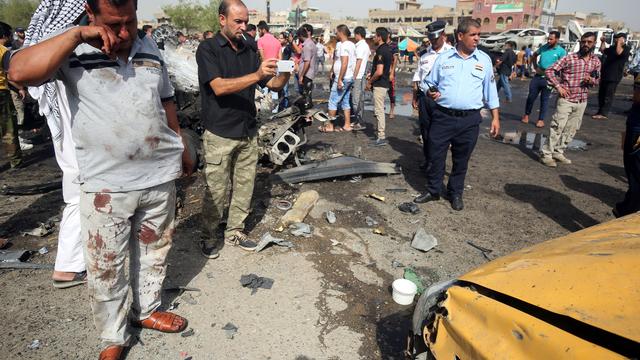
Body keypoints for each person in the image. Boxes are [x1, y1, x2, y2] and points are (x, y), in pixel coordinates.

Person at [10, 0, 194, 358]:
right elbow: (19, 72)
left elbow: (166, 98)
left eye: (131, 21)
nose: (125, 33)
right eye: (114, 24)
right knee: (105, 265)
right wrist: (76, 34)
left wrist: (181, 143)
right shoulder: (71, 48)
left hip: (157, 175)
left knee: (154, 252)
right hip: (105, 186)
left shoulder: (148, 45)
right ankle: (114, 336)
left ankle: (147, 310)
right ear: (91, 17)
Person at [195, 0, 290, 258]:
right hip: (219, 132)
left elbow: (273, 85)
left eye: (246, 21)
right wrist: (258, 75)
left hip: (247, 130)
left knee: (245, 186)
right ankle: (209, 235)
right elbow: (219, 87)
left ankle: (235, 230)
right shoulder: (208, 48)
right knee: (216, 190)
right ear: (221, 20)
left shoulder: (249, 46)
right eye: (238, 21)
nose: (244, 26)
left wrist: (285, 72)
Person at [23, 0, 88, 290]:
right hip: (75, 131)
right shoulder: (65, 45)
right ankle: (69, 266)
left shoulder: (54, 47)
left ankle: (73, 262)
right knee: (80, 190)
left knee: (76, 187)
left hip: (68, 129)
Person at [414, 19, 500, 211]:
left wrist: (495, 118)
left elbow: (491, 92)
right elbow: (427, 82)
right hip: (443, 116)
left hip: (469, 120)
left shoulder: (484, 60)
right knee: (435, 155)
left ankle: (455, 193)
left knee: (461, 159)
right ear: (460, 36)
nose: (477, 38)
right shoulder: (444, 59)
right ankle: (433, 190)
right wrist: (429, 91)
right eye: (473, 35)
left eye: (479, 35)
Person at [540, 32, 601, 167]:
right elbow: (549, 71)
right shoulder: (570, 58)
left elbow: (597, 80)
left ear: (594, 44)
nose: (586, 44)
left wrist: (591, 80)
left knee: (571, 129)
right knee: (557, 127)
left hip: (582, 100)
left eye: (589, 42)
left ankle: (558, 151)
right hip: (566, 99)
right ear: (580, 42)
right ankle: (546, 154)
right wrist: (558, 86)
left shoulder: (596, 61)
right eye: (583, 41)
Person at [411, 20, 452, 170]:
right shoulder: (425, 54)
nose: (432, 41)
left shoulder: (451, 54)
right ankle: (428, 159)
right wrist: (415, 95)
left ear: (443, 35)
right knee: (426, 132)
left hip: (443, 100)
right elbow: (418, 76)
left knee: (439, 134)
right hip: (424, 98)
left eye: (435, 38)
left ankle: (436, 164)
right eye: (431, 38)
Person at [522, 31, 566, 128]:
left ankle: (541, 120)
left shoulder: (561, 51)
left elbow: (564, 65)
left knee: (544, 100)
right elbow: (534, 55)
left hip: (549, 79)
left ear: (557, 39)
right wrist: (535, 66)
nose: (549, 41)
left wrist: (559, 79)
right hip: (538, 76)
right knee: (531, 97)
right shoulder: (544, 47)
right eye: (548, 39)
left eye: (551, 39)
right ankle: (526, 115)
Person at [613, 68, 640, 217]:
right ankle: (625, 212)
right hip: (637, 131)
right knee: (637, 180)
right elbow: (638, 97)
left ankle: (625, 210)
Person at [322, 24, 355, 132]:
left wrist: (340, 79)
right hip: (348, 77)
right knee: (345, 101)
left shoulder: (346, 45)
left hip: (343, 78)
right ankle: (347, 124)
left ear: (341, 32)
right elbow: (338, 60)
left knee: (332, 101)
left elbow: (344, 63)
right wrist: (332, 70)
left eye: (336, 32)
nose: (335, 34)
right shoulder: (347, 44)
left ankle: (330, 126)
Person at [593, 32, 631, 120]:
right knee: (601, 94)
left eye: (618, 38)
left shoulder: (626, 49)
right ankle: (600, 111)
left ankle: (604, 113)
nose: (616, 40)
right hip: (606, 74)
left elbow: (618, 53)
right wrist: (603, 41)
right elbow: (603, 50)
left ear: (623, 40)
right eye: (616, 38)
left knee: (608, 95)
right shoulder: (612, 48)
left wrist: (619, 43)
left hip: (614, 76)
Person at [366, 27, 393, 147]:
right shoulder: (387, 49)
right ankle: (380, 136)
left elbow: (380, 71)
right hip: (383, 83)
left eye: (375, 35)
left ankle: (381, 137)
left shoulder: (381, 51)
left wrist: (370, 82)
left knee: (379, 110)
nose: (373, 38)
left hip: (380, 84)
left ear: (379, 37)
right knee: (379, 109)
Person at [0, 21, 21, 169]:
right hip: (1, 92)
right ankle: (15, 161)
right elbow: (11, 74)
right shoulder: (3, 51)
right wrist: (21, 88)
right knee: (8, 128)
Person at [350, 26, 370, 131]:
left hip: (358, 76)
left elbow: (359, 62)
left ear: (358, 34)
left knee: (356, 100)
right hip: (359, 76)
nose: (354, 37)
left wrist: (354, 76)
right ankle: (357, 120)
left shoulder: (362, 46)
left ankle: (360, 121)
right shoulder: (362, 45)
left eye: (355, 35)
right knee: (357, 99)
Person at [297, 26, 316, 109]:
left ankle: (307, 117)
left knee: (306, 98)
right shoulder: (310, 43)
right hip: (308, 74)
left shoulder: (307, 46)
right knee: (307, 95)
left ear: (301, 36)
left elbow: (307, 62)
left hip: (307, 75)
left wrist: (301, 75)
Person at [387, 36, 399, 119]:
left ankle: (391, 110)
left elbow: (395, 60)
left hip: (390, 71)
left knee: (391, 92)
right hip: (381, 71)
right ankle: (379, 109)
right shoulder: (382, 44)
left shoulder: (394, 45)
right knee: (379, 91)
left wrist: (392, 72)